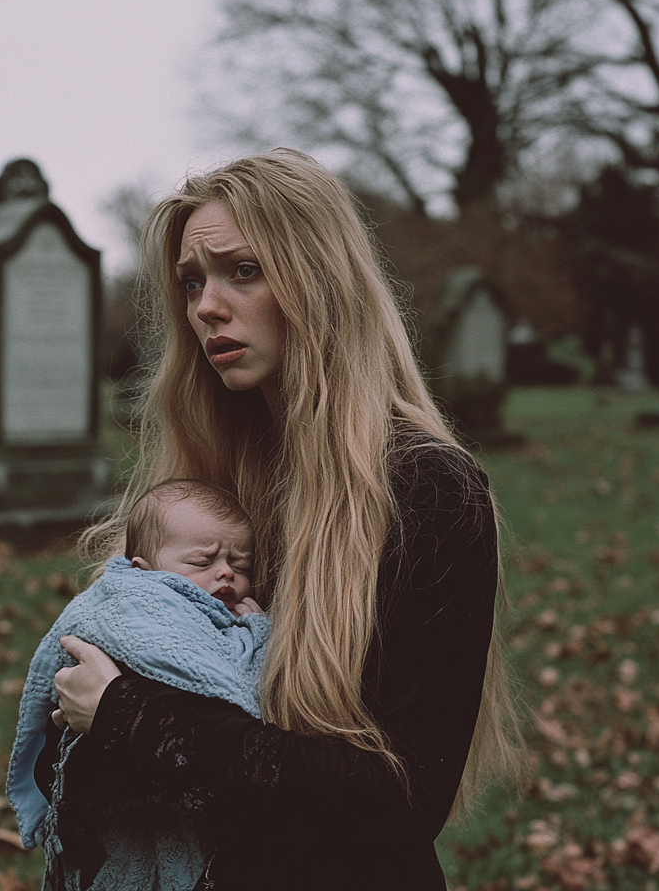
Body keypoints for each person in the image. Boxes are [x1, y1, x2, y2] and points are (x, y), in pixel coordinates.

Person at [50, 149, 526, 891]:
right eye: (191, 282)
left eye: (244, 271)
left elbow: (401, 803)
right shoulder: (208, 478)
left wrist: (130, 717)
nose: (206, 306)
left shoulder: (428, 490)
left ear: (321, 284)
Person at [7, 480, 271, 891]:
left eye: (240, 566)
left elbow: (248, 682)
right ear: (143, 570)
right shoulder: (137, 604)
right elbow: (190, 672)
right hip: (126, 799)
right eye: (203, 561)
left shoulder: (231, 623)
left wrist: (255, 634)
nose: (225, 572)